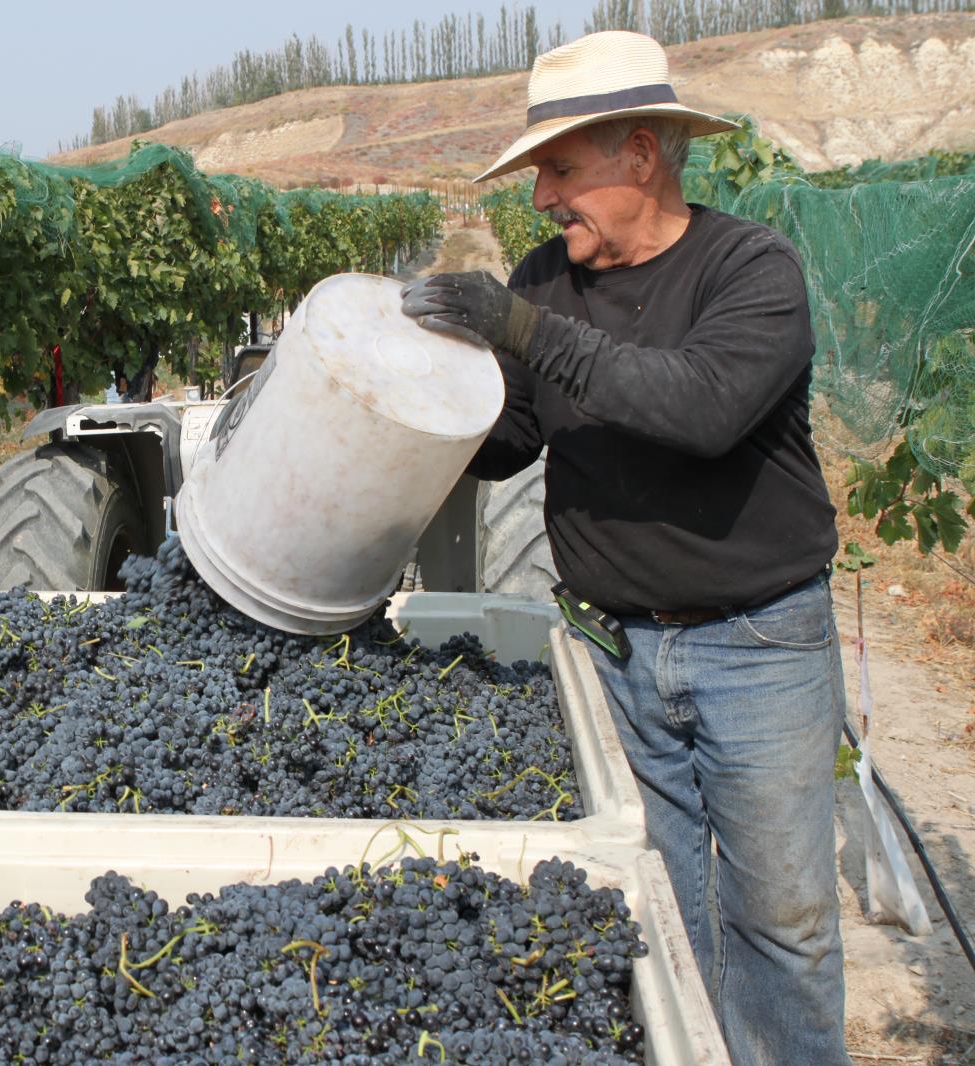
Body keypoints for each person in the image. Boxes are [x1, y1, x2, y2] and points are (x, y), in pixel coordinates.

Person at [402, 30, 847, 1066]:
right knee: (656, 911)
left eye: (560, 169)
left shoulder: (750, 270)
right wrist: (398, 417)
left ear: (640, 154)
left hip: (759, 645)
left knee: (780, 921)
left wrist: (519, 327)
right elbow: (509, 442)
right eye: (538, 175)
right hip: (613, 654)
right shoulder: (546, 281)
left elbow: (704, 408)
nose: (543, 198)